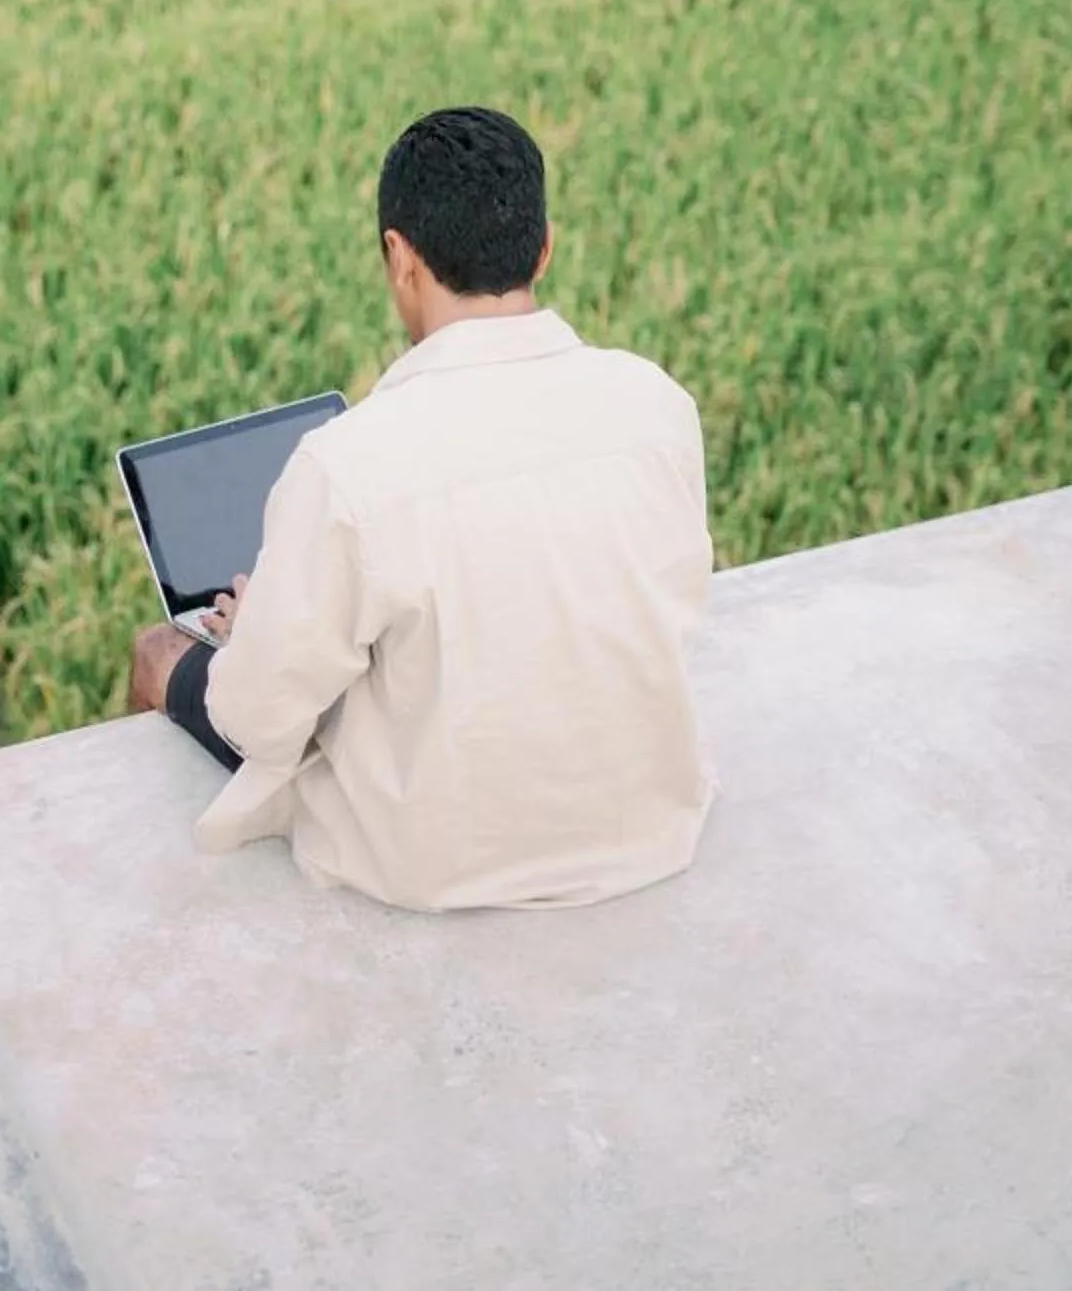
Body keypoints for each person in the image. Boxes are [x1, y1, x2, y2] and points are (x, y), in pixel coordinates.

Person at [127, 106, 716, 910]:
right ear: (543, 247)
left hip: (435, 865)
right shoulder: (657, 404)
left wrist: (254, 636)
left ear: (399, 257)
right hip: (649, 829)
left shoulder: (348, 464)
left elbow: (257, 722)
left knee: (159, 653)